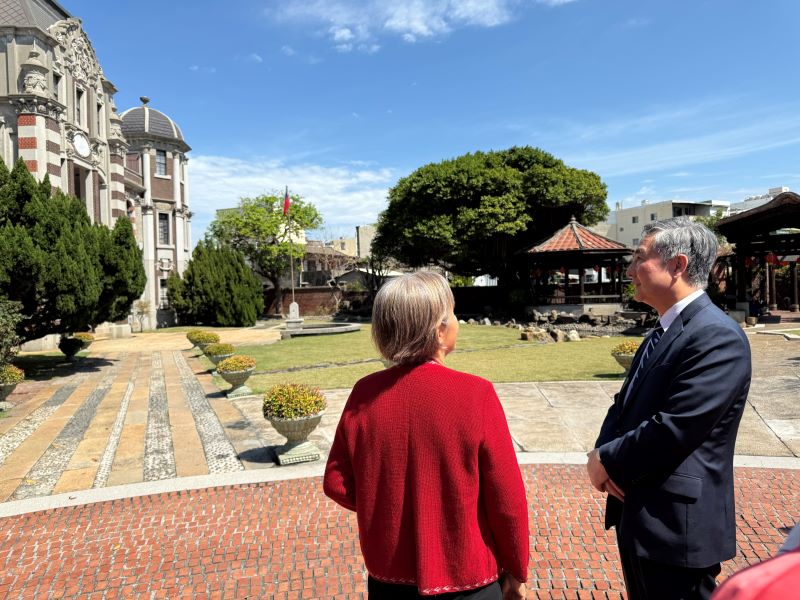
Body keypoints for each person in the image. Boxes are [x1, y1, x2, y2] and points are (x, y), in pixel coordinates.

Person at [324, 272, 529, 599]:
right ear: (439, 331)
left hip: (388, 579)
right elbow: (507, 500)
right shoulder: (475, 394)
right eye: (454, 313)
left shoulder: (364, 393)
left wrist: (388, 505)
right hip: (469, 578)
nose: (458, 320)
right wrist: (517, 570)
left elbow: (336, 483)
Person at [587, 217, 752, 599]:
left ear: (677, 265)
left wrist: (606, 459)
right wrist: (603, 452)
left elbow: (676, 425)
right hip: (641, 513)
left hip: (677, 526)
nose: (629, 271)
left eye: (639, 258)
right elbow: (623, 405)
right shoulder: (660, 331)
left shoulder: (716, 336)